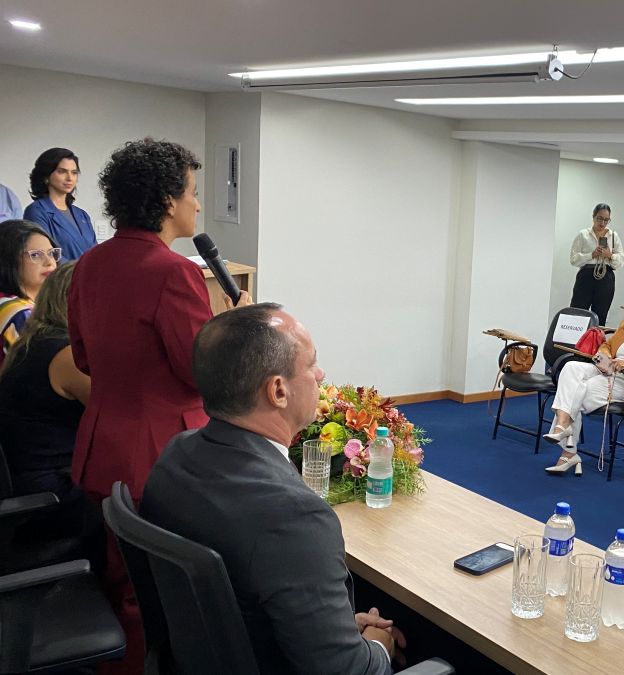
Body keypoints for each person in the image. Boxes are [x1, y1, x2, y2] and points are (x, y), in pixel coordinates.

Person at [141, 304, 406, 675]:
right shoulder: (294, 517)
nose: (321, 374)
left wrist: (332, 627)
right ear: (278, 391)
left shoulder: (176, 454)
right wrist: (378, 646)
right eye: (311, 364)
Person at [69, 138, 250, 674]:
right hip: (161, 457)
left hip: (105, 447)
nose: (198, 205)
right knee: (155, 600)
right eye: (194, 193)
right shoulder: (173, 272)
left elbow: (83, 358)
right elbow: (204, 375)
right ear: (169, 201)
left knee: (123, 588)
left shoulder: (90, 264)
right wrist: (233, 326)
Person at [0, 262, 94, 544]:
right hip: (52, 496)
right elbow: (121, 411)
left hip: (26, 481)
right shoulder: (66, 355)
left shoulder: (36, 339)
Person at [543, 289, 624, 474]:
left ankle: (568, 452)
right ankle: (563, 425)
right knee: (571, 367)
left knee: (576, 392)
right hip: (607, 371)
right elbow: (607, 345)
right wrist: (604, 355)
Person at [0, 220, 59, 367]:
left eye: (52, 253)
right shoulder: (17, 312)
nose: (49, 262)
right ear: (8, 259)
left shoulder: (35, 305)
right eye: (36, 255)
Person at [23, 148, 97, 261]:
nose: (69, 178)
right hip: (60, 277)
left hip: (89, 276)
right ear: (46, 176)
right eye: (62, 171)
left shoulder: (82, 215)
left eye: (74, 173)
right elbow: (45, 254)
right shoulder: (36, 211)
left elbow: (95, 251)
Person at [569, 203, 624, 325]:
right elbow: (573, 259)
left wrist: (610, 255)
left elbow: (621, 260)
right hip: (586, 275)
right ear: (593, 217)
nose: (603, 222)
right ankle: (573, 342)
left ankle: (597, 343)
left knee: (601, 315)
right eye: (599, 218)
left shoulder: (613, 236)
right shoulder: (583, 235)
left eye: (606, 220)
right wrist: (591, 254)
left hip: (606, 276)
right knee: (577, 313)